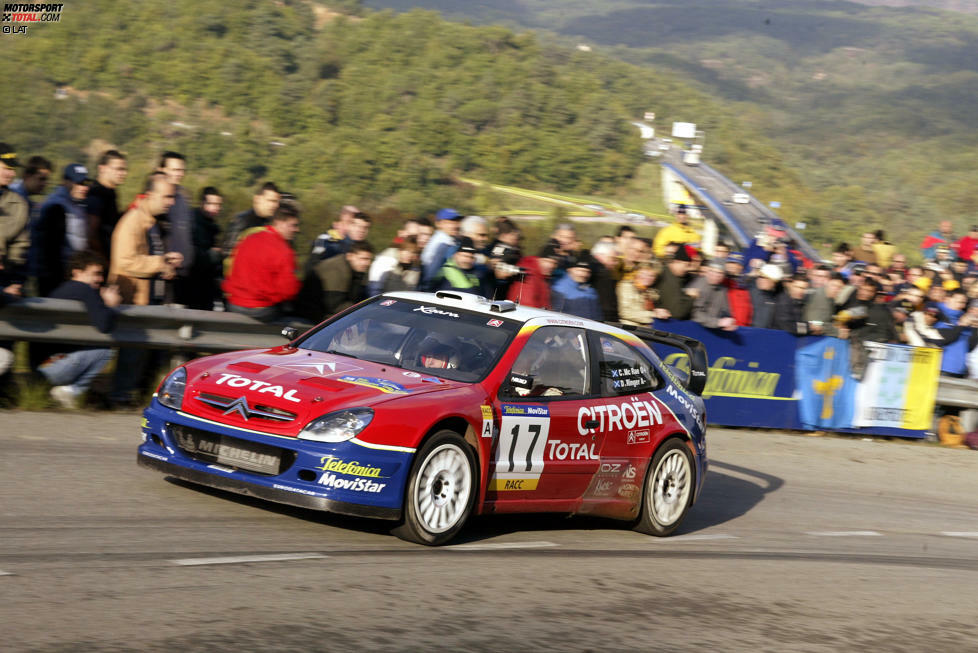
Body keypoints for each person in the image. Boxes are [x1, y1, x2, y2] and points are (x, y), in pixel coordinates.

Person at [39, 251, 119, 408]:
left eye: (101, 274)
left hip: (43, 367)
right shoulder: (84, 290)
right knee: (105, 350)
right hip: (55, 367)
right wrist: (110, 305)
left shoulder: (63, 290)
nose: (101, 279)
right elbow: (104, 325)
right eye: (96, 274)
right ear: (77, 272)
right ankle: (71, 391)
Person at [223, 204, 301, 323]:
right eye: (293, 225)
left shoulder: (249, 238)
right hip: (261, 310)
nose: (296, 229)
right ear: (279, 222)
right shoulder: (284, 251)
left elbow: (231, 268)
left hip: (234, 304)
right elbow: (289, 291)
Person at [31, 163, 94, 296]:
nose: (84, 187)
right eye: (78, 183)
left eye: (86, 183)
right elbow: (49, 249)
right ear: (65, 182)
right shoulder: (55, 206)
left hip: (74, 273)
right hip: (58, 277)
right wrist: (55, 278)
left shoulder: (79, 204)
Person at [297, 241, 374, 322]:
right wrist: (363, 311)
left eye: (369, 259)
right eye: (363, 259)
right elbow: (334, 304)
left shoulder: (358, 271)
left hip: (326, 312)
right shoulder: (337, 270)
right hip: (313, 315)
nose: (367, 263)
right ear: (349, 256)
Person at [156, 152, 196, 305]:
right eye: (174, 169)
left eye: (181, 170)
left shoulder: (183, 197)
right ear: (162, 169)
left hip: (184, 272)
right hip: (165, 273)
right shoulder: (156, 199)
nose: (178, 174)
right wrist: (163, 262)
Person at [184, 186, 224, 310]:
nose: (215, 208)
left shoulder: (212, 226)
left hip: (206, 285)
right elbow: (191, 254)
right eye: (211, 203)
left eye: (218, 204)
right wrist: (213, 255)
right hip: (193, 286)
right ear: (202, 203)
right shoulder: (193, 224)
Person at [85, 149, 127, 259]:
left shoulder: (111, 193)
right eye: (118, 169)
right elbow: (91, 232)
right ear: (102, 168)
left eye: (124, 169)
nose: (123, 173)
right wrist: (103, 260)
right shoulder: (96, 193)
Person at [222, 181, 281, 256]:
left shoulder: (272, 224)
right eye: (270, 201)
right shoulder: (242, 220)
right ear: (257, 199)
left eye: (276, 202)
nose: (274, 205)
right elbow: (228, 252)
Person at [306, 208, 371, 273]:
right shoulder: (330, 245)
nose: (361, 230)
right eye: (357, 226)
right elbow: (312, 266)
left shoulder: (365, 248)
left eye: (365, 227)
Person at [0, 144, 30, 280]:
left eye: (13, 169)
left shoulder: (18, 204)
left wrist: (9, 268)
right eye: (6, 168)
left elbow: (21, 243)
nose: (12, 174)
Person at [688, 260, 738, 331]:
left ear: (723, 275)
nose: (716, 275)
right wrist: (718, 322)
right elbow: (695, 314)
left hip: (712, 330)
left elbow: (725, 310)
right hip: (695, 330)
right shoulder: (699, 286)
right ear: (707, 271)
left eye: (720, 273)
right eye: (712, 271)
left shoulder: (722, 289)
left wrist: (729, 321)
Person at [420, 208, 463, 286]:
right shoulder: (443, 243)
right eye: (450, 222)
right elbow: (430, 275)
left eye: (457, 221)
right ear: (439, 224)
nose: (455, 225)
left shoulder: (449, 239)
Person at [550, 256, 601, 321]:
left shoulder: (591, 290)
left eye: (587, 272)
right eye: (579, 270)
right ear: (569, 270)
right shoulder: (559, 289)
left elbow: (597, 316)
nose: (584, 274)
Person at [617, 261, 666, 326]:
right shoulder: (626, 286)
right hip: (630, 328)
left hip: (647, 328)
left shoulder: (650, 291)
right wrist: (653, 314)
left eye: (651, 275)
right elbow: (625, 313)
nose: (647, 278)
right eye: (643, 273)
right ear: (637, 273)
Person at [653, 247, 695, 321]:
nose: (688, 269)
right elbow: (677, 313)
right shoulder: (668, 279)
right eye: (687, 265)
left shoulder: (677, 276)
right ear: (676, 262)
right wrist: (690, 297)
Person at [10, 154, 52, 221]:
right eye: (41, 179)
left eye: (46, 180)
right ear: (27, 176)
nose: (44, 183)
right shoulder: (16, 198)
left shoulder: (21, 195)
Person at [804, 272, 846, 336]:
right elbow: (815, 325)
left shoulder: (831, 298)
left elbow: (826, 321)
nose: (837, 290)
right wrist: (837, 331)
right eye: (834, 285)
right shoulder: (818, 297)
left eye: (840, 288)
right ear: (826, 282)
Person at [589, 240, 621, 322]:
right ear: (600, 256)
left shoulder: (591, 269)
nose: (616, 263)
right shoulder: (603, 275)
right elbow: (608, 306)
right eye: (613, 259)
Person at [749, 263, 782, 328]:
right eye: (760, 277)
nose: (761, 280)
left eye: (765, 278)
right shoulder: (749, 291)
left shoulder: (776, 297)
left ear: (773, 282)